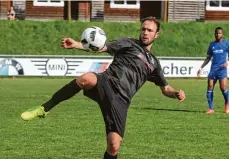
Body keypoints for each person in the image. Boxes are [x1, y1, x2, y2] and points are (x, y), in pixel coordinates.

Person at [21, 16, 186, 159]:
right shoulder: (128, 43)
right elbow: (103, 46)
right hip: (106, 82)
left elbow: (165, 88)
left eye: (150, 30)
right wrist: (78, 44)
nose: (145, 32)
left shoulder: (154, 64)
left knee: (114, 146)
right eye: (143, 29)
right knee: (86, 78)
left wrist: (176, 93)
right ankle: (44, 108)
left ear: (156, 34)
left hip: (121, 101)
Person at [197, 27, 229, 114]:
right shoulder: (212, 45)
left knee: (223, 88)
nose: (217, 34)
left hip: (222, 70)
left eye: (219, 33)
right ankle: (211, 108)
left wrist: (227, 62)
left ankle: (227, 104)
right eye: (216, 33)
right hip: (213, 70)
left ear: (222, 34)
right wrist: (201, 67)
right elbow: (208, 58)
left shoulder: (227, 43)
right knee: (210, 86)